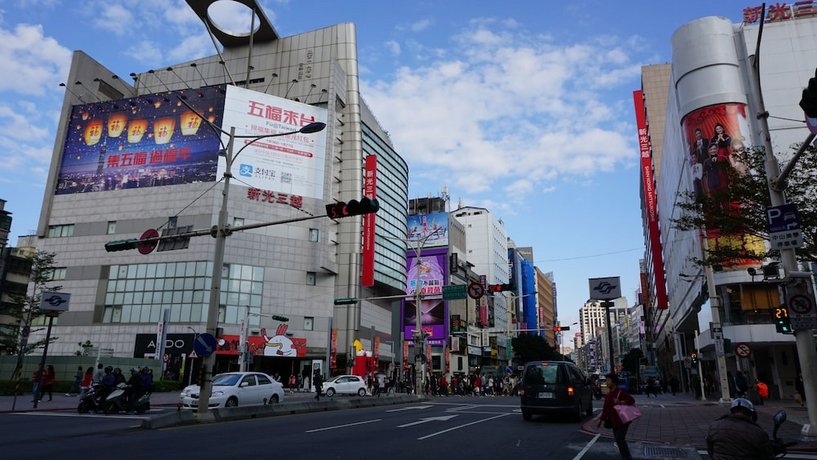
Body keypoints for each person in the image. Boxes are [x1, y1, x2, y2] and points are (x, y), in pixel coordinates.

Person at [706, 397, 774, 459]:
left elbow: (711, 451)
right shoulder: (758, 433)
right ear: (751, 414)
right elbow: (767, 456)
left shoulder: (714, 426)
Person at [598, 372, 636, 460]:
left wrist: (621, 402)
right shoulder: (608, 395)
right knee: (619, 440)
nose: (606, 382)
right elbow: (605, 409)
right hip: (614, 421)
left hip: (623, 420)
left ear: (614, 382)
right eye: (606, 380)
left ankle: (627, 458)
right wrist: (601, 420)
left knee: (620, 438)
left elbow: (631, 400)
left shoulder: (620, 392)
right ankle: (625, 457)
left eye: (608, 380)